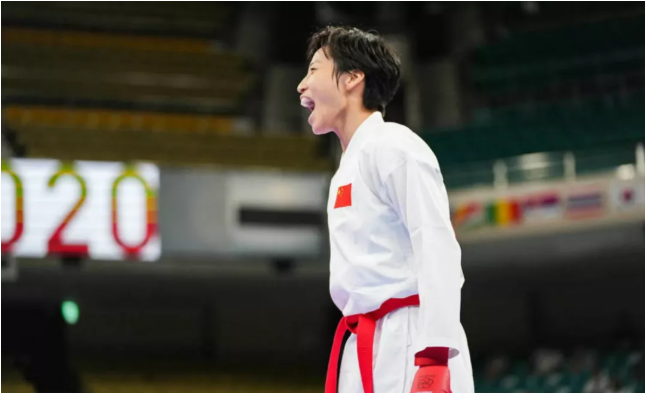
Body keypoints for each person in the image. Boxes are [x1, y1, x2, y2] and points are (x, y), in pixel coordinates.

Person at [297, 26, 474, 393]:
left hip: (410, 336)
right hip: (361, 339)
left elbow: (437, 246)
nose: (301, 85)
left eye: (314, 70)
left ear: (351, 79)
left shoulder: (394, 146)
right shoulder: (345, 169)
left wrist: (435, 355)